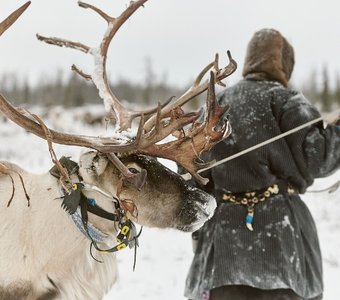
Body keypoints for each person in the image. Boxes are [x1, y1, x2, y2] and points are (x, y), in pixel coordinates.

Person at [184, 28, 340, 300]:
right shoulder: (287, 100)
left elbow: (188, 172)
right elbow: (319, 157)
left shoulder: (214, 105)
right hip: (280, 246)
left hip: (221, 253)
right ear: (285, 64)